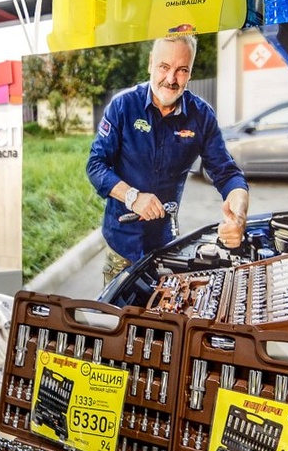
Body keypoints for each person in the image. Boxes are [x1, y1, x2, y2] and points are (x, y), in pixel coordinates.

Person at [87, 34, 249, 281]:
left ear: (191, 73)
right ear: (151, 63)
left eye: (182, 70)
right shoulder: (123, 106)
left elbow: (228, 174)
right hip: (121, 245)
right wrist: (132, 197)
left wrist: (238, 216)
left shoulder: (201, 116)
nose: (171, 79)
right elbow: (96, 165)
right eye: (164, 67)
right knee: (117, 316)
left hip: (165, 247)